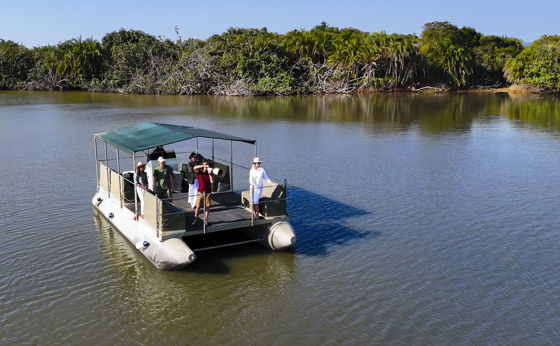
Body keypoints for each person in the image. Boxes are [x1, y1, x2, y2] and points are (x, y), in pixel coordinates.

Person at [192, 160, 214, 225]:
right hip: (200, 192)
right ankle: (195, 219)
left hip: (208, 192)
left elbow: (212, 181)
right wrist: (204, 165)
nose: (206, 168)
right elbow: (194, 168)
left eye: (207, 166)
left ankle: (206, 220)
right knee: (198, 206)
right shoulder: (199, 172)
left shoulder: (209, 173)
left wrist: (210, 174)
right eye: (204, 166)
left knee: (207, 206)